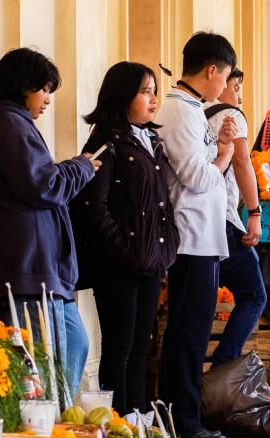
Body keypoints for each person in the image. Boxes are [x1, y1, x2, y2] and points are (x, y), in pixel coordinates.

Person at [0, 48, 99, 392]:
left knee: (74, 344)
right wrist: (81, 166)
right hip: (28, 271)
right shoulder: (8, 124)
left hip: (42, 271)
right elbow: (43, 184)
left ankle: (61, 425)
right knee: (43, 371)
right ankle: (54, 433)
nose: (47, 100)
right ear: (22, 86)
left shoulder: (11, 123)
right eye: (44, 90)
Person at [72, 62, 178, 415]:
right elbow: (92, 208)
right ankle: (116, 422)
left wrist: (164, 245)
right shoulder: (107, 142)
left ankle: (137, 421)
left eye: (153, 91)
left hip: (149, 259)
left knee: (140, 346)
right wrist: (124, 250)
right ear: (122, 96)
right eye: (144, 91)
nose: (152, 99)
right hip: (118, 264)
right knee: (119, 346)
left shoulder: (150, 140)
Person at [156, 32, 238, 438]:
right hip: (190, 239)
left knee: (191, 330)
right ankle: (184, 420)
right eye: (225, 79)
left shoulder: (190, 109)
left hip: (201, 237)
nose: (225, 88)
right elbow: (196, 176)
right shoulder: (181, 112)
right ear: (211, 71)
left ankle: (181, 412)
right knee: (189, 333)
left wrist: (219, 148)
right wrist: (223, 155)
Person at [205, 68, 267, 367]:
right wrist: (254, 213)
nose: (239, 96)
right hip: (225, 221)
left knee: (198, 305)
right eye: (236, 86)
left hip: (195, 222)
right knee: (254, 295)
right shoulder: (230, 116)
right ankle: (222, 367)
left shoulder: (193, 113)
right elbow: (242, 163)